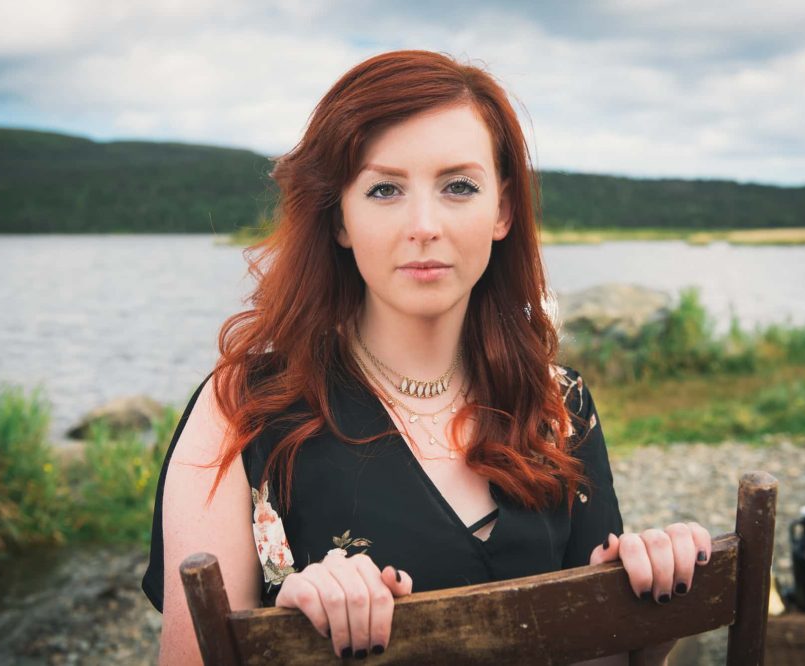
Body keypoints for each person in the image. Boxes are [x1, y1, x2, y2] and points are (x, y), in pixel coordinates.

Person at [141, 49, 711, 664]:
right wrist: (287, 639)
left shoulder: (558, 404)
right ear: (339, 219)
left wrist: (654, 615)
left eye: (458, 186)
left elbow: (597, 655)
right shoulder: (241, 410)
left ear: (503, 210)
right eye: (384, 188)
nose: (424, 224)